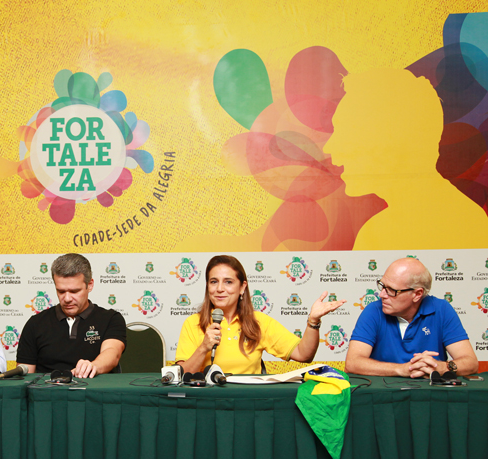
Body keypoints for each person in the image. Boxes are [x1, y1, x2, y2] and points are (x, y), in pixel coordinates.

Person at [324, 68, 488, 250]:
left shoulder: (383, 233)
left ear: (390, 139)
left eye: (346, 132)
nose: (329, 147)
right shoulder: (464, 218)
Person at [176, 255, 344, 375]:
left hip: (248, 403)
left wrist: (313, 321)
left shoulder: (259, 322)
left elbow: (303, 354)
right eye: (214, 282)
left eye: (228, 282)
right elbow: (181, 376)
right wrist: (203, 348)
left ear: (242, 287)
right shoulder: (193, 323)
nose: (220, 288)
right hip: (206, 404)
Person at [345, 257, 477, 377]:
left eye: (391, 290)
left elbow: (471, 363)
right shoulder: (374, 310)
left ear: (417, 294)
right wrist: (401, 369)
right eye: (382, 286)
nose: (382, 295)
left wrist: (442, 367)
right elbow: (352, 363)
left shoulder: (442, 310)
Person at [17, 253, 126, 378]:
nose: (67, 298)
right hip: (49, 389)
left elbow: (112, 353)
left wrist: (93, 366)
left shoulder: (111, 319)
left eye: (74, 291)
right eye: (61, 291)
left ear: (90, 285)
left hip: (95, 388)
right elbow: (25, 376)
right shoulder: (35, 323)